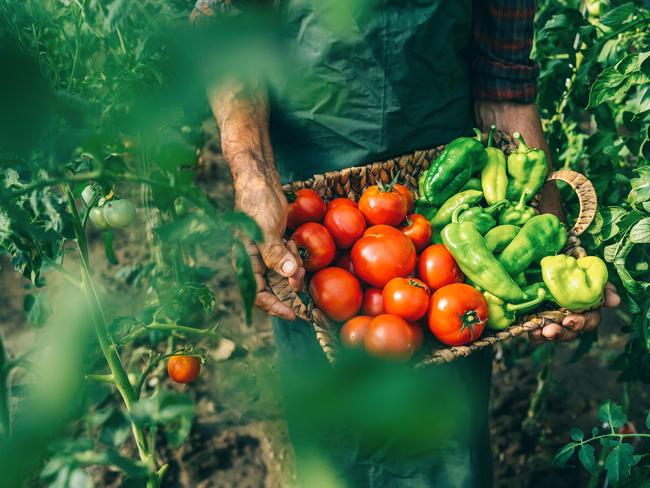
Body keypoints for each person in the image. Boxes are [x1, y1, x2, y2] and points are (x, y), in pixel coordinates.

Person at [192, 1, 621, 485]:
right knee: (330, 391)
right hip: (312, 200)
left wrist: (549, 246)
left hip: (443, 199)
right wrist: (253, 180)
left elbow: (505, 86)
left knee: (444, 425)